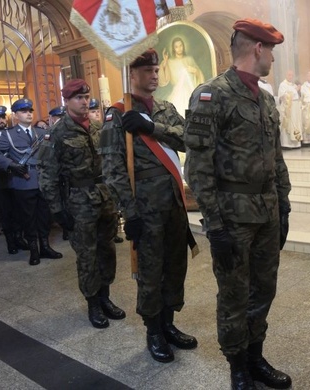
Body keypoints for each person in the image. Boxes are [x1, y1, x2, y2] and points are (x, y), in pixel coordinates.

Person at [184, 18, 292, 390]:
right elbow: (197, 166)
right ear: (257, 49)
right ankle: (237, 367)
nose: (273, 59)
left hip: (267, 212)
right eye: (271, 51)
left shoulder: (264, 98)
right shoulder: (212, 95)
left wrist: (285, 202)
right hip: (232, 218)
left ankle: (255, 355)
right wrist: (213, 225)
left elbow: (275, 156)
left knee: (264, 289)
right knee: (234, 294)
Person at [100, 49, 197, 363]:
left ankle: (168, 324)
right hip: (145, 207)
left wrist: (153, 128)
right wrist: (129, 211)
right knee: (151, 271)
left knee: (175, 265)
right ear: (132, 73)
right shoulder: (117, 114)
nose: (154, 75)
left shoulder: (166, 109)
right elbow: (113, 168)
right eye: (148, 71)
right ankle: (153, 330)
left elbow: (188, 140)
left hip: (173, 201)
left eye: (157, 70)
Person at [37, 79, 125, 328]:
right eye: (79, 98)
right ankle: (93, 304)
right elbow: (47, 175)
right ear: (67, 101)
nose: (85, 102)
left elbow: (110, 163)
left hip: (104, 198)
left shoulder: (98, 128)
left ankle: (106, 297)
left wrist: (117, 195)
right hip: (78, 201)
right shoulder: (56, 133)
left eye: (86, 97)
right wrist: (57, 210)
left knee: (107, 250)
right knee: (87, 256)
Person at [0, 99, 62, 265]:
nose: (29, 113)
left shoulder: (40, 132)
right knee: (28, 218)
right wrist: (11, 165)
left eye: (30, 110)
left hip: (43, 181)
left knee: (44, 216)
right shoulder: (8, 134)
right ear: (16, 115)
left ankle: (45, 247)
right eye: (24, 111)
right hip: (23, 182)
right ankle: (34, 250)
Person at [87, 98, 125, 244]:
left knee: (112, 207)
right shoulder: (91, 130)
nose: (96, 114)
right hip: (93, 180)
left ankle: (114, 231)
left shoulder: (103, 127)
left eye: (97, 111)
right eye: (93, 111)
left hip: (108, 176)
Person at [0, 105, 23, 251]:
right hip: (0, 181)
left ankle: (19, 238)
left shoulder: (11, 133)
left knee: (17, 211)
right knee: (6, 213)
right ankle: (11, 242)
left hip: (15, 179)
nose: (1, 120)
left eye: (2, 117)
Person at [158, 37, 205, 116]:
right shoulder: (170, 62)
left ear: (183, 46)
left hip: (190, 90)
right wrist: (165, 62)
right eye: (176, 47)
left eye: (180, 46)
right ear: (174, 48)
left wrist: (194, 71)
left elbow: (199, 75)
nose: (179, 48)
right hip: (178, 92)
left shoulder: (189, 59)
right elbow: (164, 80)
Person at [277, 69, 302, 149]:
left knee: (295, 124)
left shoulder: (294, 85)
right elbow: (283, 96)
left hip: (295, 109)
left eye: (292, 75)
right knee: (287, 125)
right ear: (286, 75)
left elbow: (299, 97)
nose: (290, 76)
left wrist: (299, 91)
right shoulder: (282, 84)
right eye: (289, 75)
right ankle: (286, 144)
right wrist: (296, 91)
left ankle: (296, 143)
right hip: (287, 109)